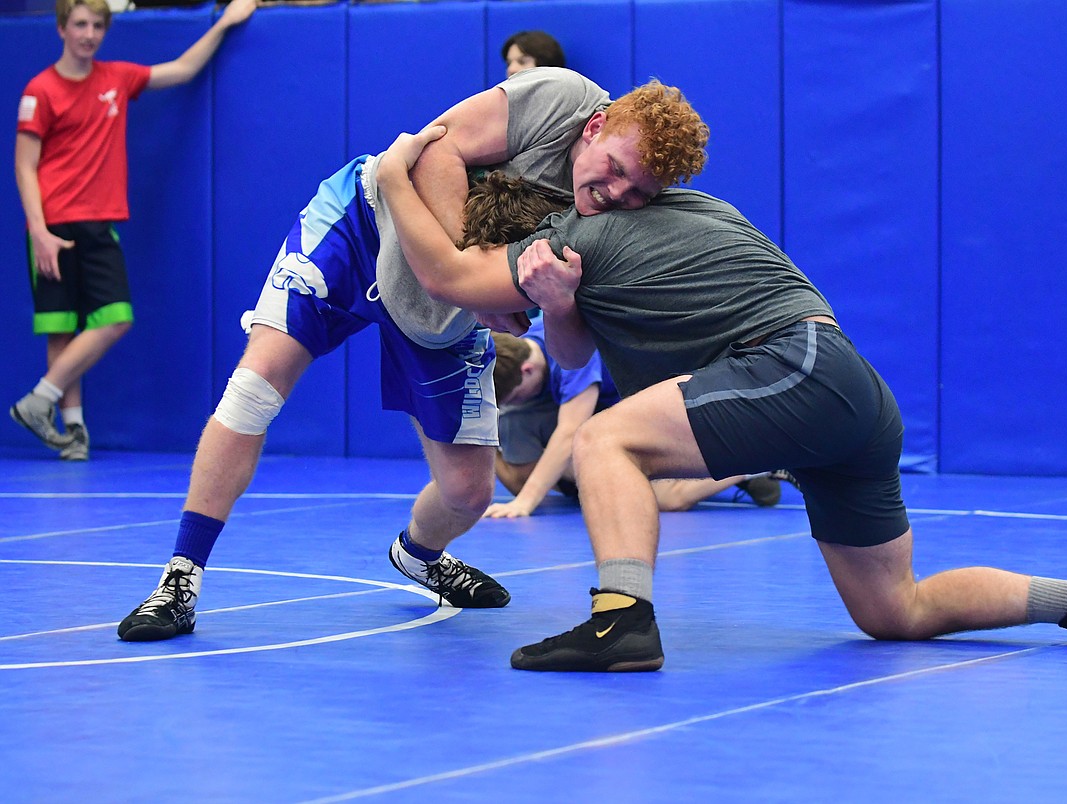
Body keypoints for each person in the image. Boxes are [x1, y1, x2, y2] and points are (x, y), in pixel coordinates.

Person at [375, 125, 1067, 673]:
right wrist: (561, 306)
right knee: (894, 613)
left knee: (604, 442)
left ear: (521, 248)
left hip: (794, 368)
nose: (500, 325)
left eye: (507, 307)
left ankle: (622, 623)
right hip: (850, 395)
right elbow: (573, 351)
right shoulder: (690, 213)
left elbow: (445, 274)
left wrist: (388, 182)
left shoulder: (571, 237)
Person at [116, 68, 710, 642]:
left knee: (469, 492)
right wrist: (465, 269)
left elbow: (562, 342)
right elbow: (432, 152)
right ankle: (179, 579)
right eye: (613, 170)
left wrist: (532, 304)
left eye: (637, 193)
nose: (612, 194)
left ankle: (419, 556)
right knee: (254, 388)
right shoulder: (561, 99)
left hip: (441, 312)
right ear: (595, 127)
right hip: (362, 226)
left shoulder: (611, 227)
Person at [10, 0, 258, 462]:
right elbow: (24, 165)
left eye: (97, 25)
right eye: (80, 24)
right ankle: (74, 433)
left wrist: (224, 21)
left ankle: (38, 401)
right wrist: (39, 231)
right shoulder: (40, 91)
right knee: (62, 331)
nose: (88, 33)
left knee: (113, 318)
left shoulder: (117, 78)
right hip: (52, 226)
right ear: (62, 28)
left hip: (98, 223)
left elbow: (183, 69)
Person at [489, 318, 798, 517]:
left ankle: (758, 462)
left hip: (659, 396)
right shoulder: (515, 340)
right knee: (517, 430)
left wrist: (525, 503)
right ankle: (591, 481)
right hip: (610, 408)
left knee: (667, 500)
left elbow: (569, 431)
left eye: (515, 395)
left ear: (527, 369)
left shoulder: (571, 356)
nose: (514, 403)